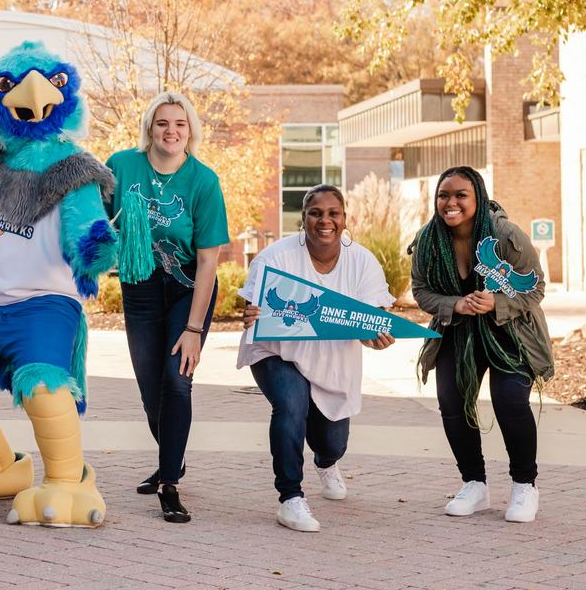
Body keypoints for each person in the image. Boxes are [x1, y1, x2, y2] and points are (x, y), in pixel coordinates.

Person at [237, 184, 396, 532]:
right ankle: (290, 498)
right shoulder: (276, 257)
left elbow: (372, 322)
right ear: (303, 219)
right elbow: (251, 307)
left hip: (333, 359)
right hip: (277, 351)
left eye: (333, 213)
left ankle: (326, 463)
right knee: (292, 406)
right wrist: (249, 313)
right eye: (316, 213)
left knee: (332, 442)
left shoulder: (362, 261)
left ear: (344, 219)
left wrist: (378, 338)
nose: (325, 221)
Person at [104, 92, 228, 523]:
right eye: (162, 123)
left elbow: (210, 258)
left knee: (177, 383)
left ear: (190, 130)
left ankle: (170, 484)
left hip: (187, 290)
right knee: (149, 389)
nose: (170, 131)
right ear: (149, 128)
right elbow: (89, 216)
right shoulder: (121, 166)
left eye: (179, 124)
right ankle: (170, 456)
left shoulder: (203, 180)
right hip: (138, 286)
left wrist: (194, 329)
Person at [409, 165, 553, 523]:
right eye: (444, 195)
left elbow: (536, 287)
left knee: (509, 401)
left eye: (460, 195)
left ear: (478, 197)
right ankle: (474, 484)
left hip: (510, 332)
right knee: (452, 404)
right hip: (458, 330)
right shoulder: (427, 240)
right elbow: (421, 290)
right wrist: (453, 304)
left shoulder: (504, 235)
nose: (450, 202)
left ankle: (524, 486)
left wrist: (496, 303)